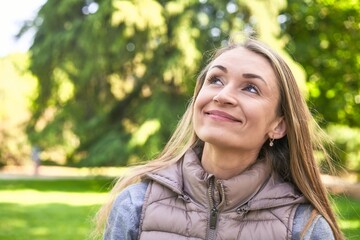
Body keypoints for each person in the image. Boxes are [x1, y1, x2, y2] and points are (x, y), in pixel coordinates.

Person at [94, 37, 344, 240]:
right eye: (215, 80)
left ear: (278, 126)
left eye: (250, 88)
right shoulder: (135, 205)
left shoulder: (305, 228)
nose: (223, 95)